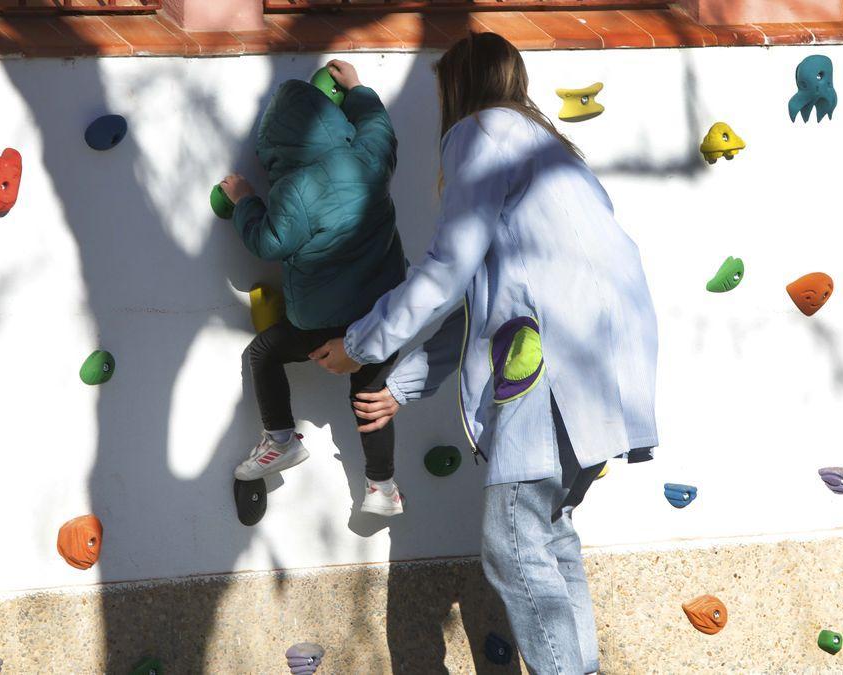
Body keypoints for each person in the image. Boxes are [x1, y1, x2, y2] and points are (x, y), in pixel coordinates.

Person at [310, 33, 659, 673]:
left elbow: (448, 271)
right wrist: (402, 385)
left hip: (549, 356)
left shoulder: (480, 134)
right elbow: (479, 296)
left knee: (514, 543)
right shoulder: (551, 147)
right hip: (602, 355)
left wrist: (362, 345)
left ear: (459, 87)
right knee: (550, 536)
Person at [220, 59, 408, 516]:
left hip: (320, 323)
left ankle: (280, 438)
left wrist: (245, 201)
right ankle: (382, 486)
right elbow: (379, 126)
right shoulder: (368, 157)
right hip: (379, 315)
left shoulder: (293, 190)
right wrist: (359, 89)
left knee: (263, 354)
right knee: (371, 397)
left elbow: (268, 241)